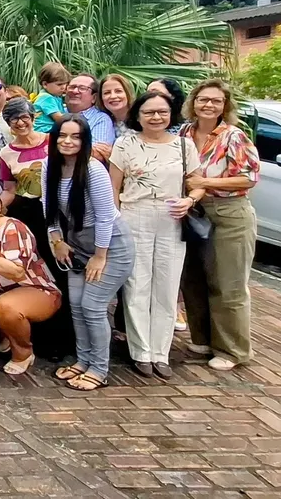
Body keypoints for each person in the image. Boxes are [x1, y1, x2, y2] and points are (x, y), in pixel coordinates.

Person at [110, 92, 202, 378]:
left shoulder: (185, 147)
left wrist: (190, 201)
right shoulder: (125, 143)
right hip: (134, 215)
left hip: (172, 217)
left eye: (162, 112)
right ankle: (141, 351)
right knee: (137, 284)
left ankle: (161, 352)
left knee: (167, 285)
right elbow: (114, 187)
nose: (156, 117)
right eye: (149, 112)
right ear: (138, 115)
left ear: (171, 114)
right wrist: (116, 222)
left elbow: (197, 185)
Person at [43, 116, 134, 391]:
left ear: (85, 141)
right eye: (62, 135)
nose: (68, 142)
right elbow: (48, 205)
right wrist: (55, 239)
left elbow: (106, 217)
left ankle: (99, 369)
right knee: (77, 305)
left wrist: (100, 256)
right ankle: (83, 361)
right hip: (75, 243)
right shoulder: (51, 165)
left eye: (75, 137)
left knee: (94, 307)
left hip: (110, 246)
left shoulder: (93, 170)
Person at [180, 78, 260, 371]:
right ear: (194, 103)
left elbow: (249, 177)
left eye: (215, 100)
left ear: (224, 106)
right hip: (194, 211)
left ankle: (233, 349)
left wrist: (206, 182)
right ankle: (202, 339)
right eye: (203, 99)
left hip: (229, 213)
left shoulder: (233, 136)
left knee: (228, 284)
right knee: (194, 278)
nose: (208, 105)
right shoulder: (184, 133)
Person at [0, 96, 73, 359]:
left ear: (33, 117)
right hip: (29, 216)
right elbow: (10, 189)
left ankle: (66, 339)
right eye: (14, 119)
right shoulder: (6, 153)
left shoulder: (53, 142)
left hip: (59, 211)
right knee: (39, 276)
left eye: (25, 116)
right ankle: (42, 337)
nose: (21, 122)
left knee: (62, 271)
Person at [0, 185, 60, 375]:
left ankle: (23, 353)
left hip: (34, 288)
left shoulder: (13, 228)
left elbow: (16, 272)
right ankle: (4, 337)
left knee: (4, 307)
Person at [66, 74, 116, 161]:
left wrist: (56, 147)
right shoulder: (55, 112)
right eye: (72, 87)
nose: (74, 91)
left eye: (82, 88)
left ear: (94, 98)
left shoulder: (100, 119)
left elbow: (98, 155)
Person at [33, 62, 71, 134]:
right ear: (45, 84)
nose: (63, 87)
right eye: (59, 84)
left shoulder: (54, 96)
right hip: (44, 131)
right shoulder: (46, 98)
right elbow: (58, 118)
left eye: (65, 83)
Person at [99, 73, 135, 138]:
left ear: (128, 93)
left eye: (118, 91)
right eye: (107, 93)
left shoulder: (141, 119)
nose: (113, 96)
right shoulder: (102, 123)